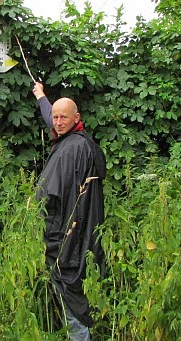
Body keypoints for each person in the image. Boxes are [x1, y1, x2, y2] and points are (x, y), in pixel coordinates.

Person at [32, 82, 106, 341]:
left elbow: (52, 196)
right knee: (71, 289)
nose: (58, 122)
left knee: (69, 289)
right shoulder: (71, 137)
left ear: (77, 118)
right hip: (77, 232)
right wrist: (40, 95)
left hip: (69, 235)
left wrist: (39, 217)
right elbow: (50, 116)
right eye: (55, 117)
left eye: (64, 117)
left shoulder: (73, 149)